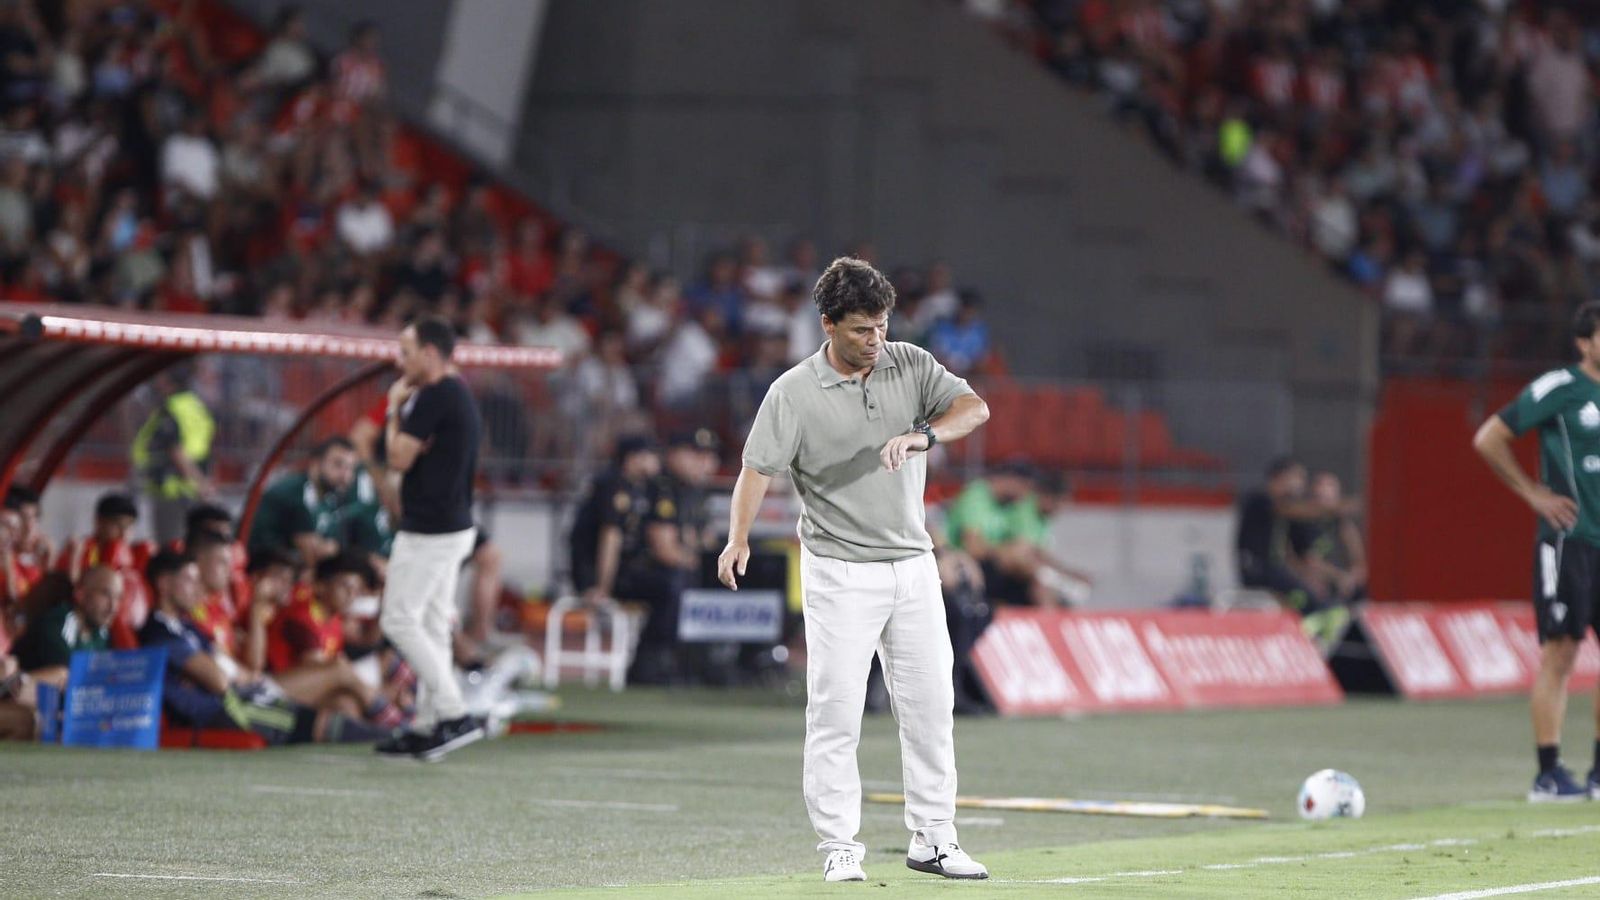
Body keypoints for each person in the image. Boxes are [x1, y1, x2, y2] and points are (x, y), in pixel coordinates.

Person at [718, 257, 992, 882]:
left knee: (930, 707)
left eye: (883, 325)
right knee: (836, 712)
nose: (877, 340)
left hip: (913, 565)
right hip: (839, 570)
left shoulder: (910, 363)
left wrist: (925, 435)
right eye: (863, 329)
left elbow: (974, 408)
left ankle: (935, 840)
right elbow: (757, 469)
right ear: (828, 325)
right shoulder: (791, 392)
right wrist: (738, 538)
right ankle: (840, 846)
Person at [1473, 301, 1600, 801]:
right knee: (1561, 653)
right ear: (1584, 342)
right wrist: (1532, 493)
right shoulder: (1560, 389)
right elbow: (1489, 437)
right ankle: (1548, 774)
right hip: (1569, 541)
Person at [374, 316, 485, 761]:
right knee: (433, 627)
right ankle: (427, 725)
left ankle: (455, 714)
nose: (399, 360)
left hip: (431, 531)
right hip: (449, 526)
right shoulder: (454, 395)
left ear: (430, 354)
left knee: (398, 621)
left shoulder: (435, 395)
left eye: (406, 351)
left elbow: (397, 458)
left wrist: (393, 408)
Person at [943, 464, 1092, 607]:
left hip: (994, 565)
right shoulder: (977, 496)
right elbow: (974, 547)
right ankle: (1052, 580)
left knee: (1028, 569)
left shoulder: (1006, 506)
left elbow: (1031, 549)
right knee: (1025, 563)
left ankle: (1050, 585)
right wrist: (1007, 554)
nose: (1027, 495)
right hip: (963, 561)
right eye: (1026, 487)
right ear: (1011, 480)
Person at [130, 367, 215, 544]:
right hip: (191, 487)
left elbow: (175, 449)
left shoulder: (171, 408)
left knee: (170, 545)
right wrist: (203, 483)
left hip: (171, 488)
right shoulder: (196, 405)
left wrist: (201, 484)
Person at [247, 436, 359, 567]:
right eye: (338, 465)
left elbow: (337, 546)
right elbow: (312, 555)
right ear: (316, 463)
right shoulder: (292, 493)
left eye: (351, 468)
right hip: (263, 568)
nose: (345, 476)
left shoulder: (332, 497)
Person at [11, 565, 120, 683]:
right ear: (80, 594)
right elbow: (74, 679)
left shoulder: (101, 631)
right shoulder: (56, 623)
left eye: (118, 597)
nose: (113, 607)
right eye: (105, 594)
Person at [1288, 472, 1368, 605]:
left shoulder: (1342, 523)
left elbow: (1358, 559)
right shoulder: (1304, 523)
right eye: (1320, 494)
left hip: (1340, 581)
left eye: (1330, 493)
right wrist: (1340, 577)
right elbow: (1309, 562)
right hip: (1312, 579)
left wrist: (1353, 576)